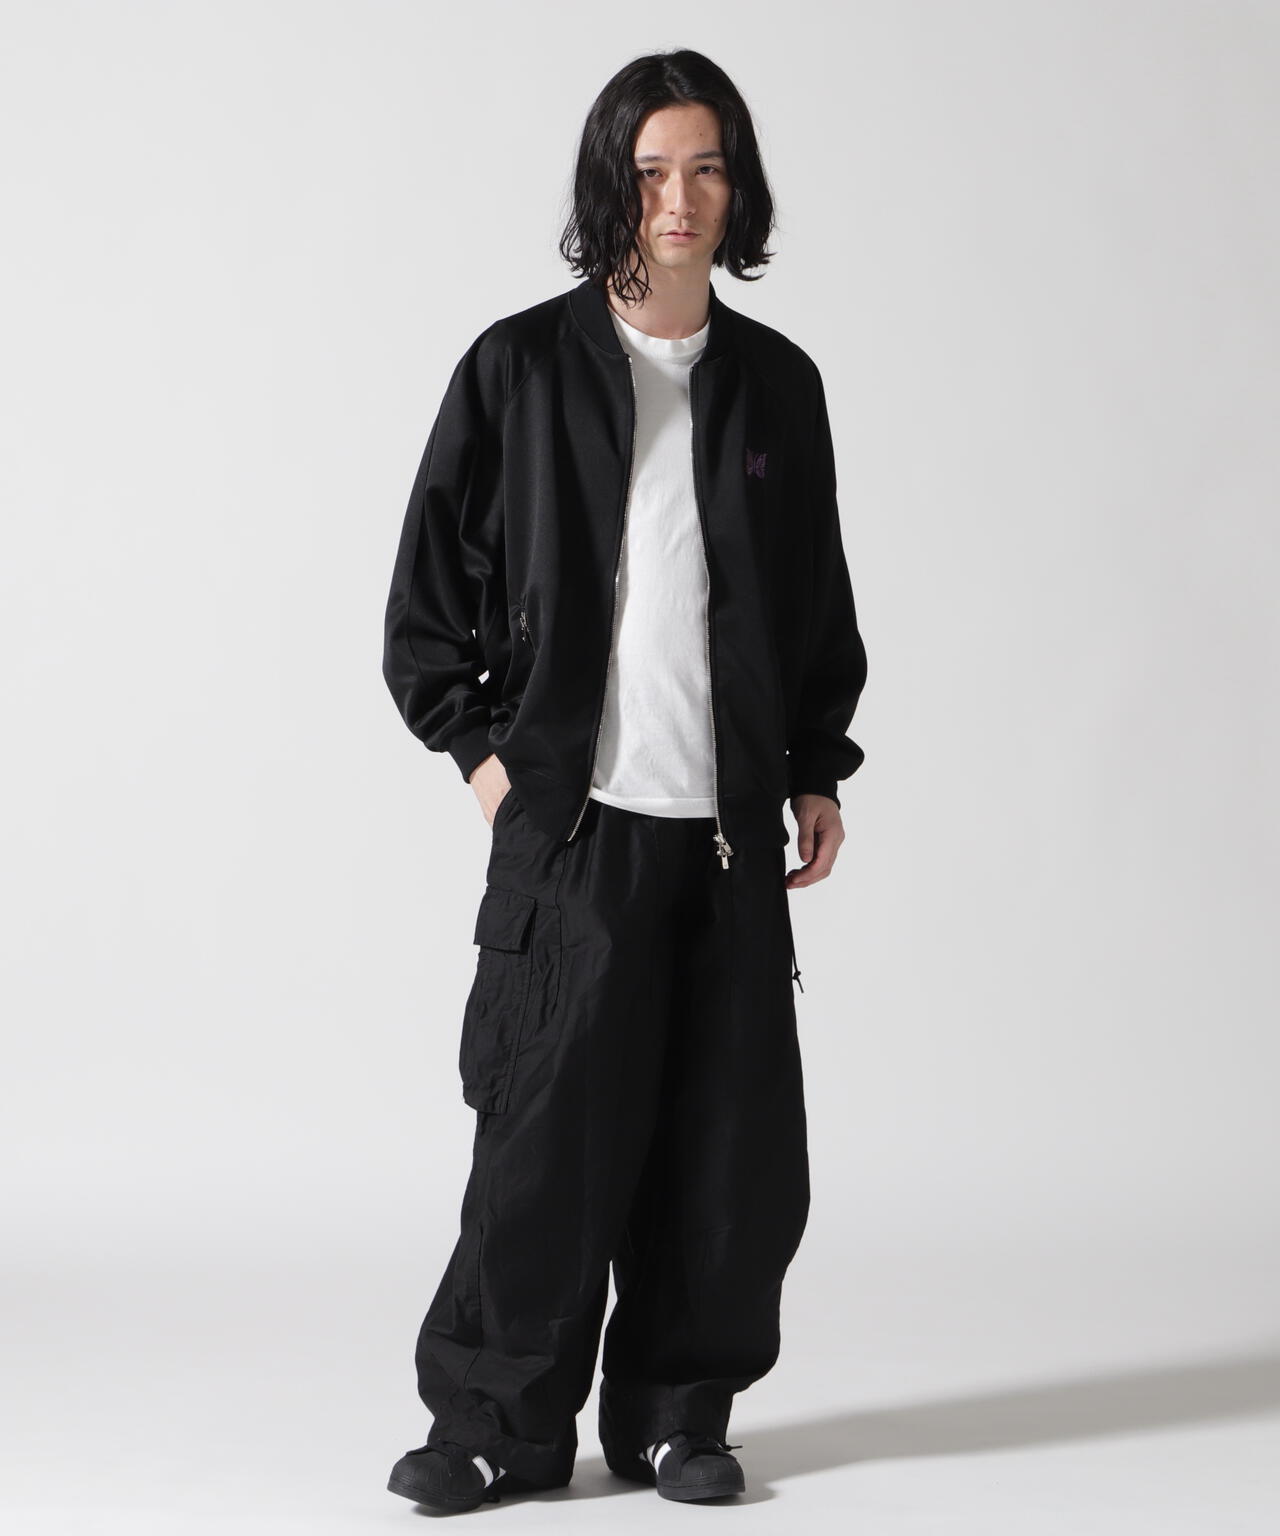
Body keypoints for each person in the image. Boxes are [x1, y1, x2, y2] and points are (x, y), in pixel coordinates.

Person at [380, 47, 868, 1515]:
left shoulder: (778, 388)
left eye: (707, 167)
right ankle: (496, 1425)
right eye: (653, 170)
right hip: (574, 836)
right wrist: (490, 768)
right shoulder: (520, 369)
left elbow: (814, 601)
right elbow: (424, 607)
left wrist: (815, 768)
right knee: (543, 1141)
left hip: (725, 838)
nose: (680, 198)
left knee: (724, 1150)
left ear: (738, 189)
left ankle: (674, 1414)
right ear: (613, 184)